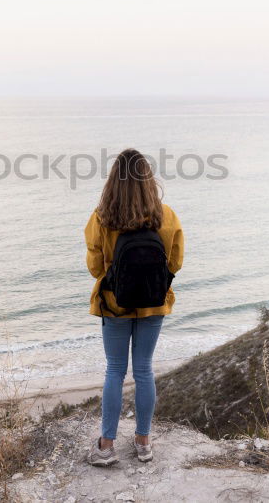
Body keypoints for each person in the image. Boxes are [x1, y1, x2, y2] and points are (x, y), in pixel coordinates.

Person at [84, 148, 184, 465]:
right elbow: (176, 262)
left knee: (115, 370)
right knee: (144, 370)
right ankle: (143, 442)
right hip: (154, 304)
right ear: (148, 180)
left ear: (113, 182)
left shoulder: (101, 217)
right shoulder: (166, 216)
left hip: (114, 306)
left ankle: (106, 446)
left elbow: (96, 268)